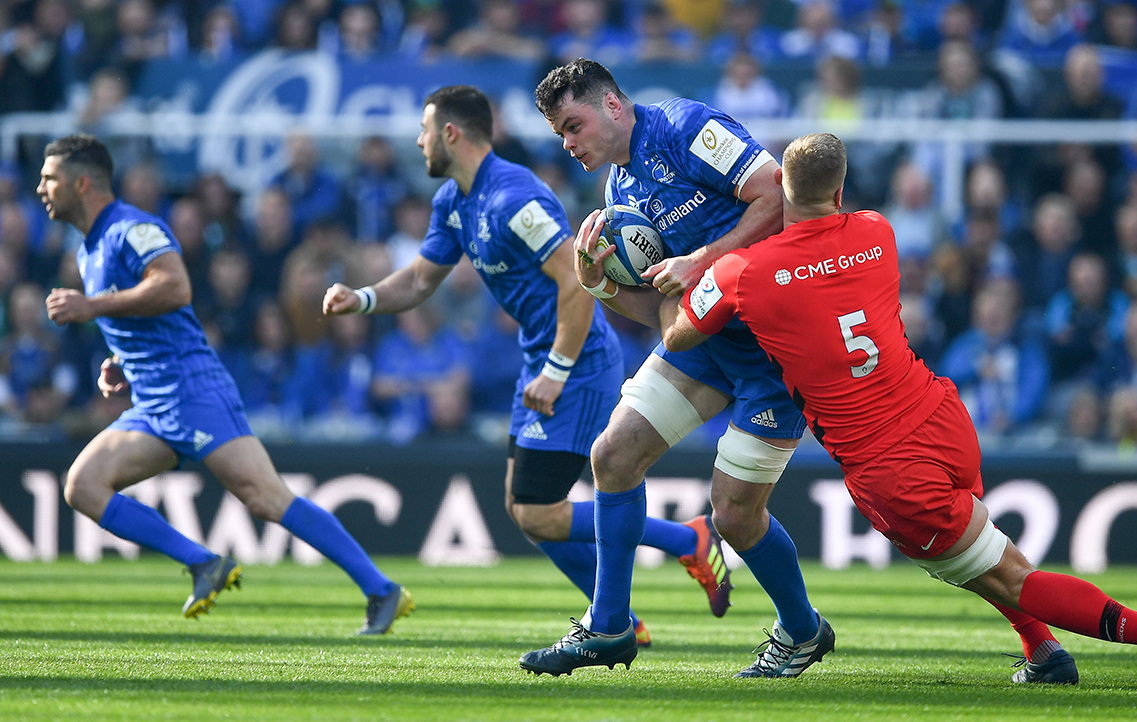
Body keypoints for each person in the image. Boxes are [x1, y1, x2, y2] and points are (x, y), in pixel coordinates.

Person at [575, 131, 1137, 690]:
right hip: (940, 416)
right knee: (990, 553)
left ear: (779, 190)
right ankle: (1044, 655)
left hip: (887, 466)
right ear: (840, 190)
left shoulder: (742, 275)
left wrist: (627, 281)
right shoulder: (878, 232)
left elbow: (676, 333)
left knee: (1014, 578)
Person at [321, 86, 728, 646]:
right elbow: (418, 280)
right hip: (542, 360)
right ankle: (640, 595)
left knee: (536, 511)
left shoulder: (515, 197)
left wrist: (558, 368)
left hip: (576, 361)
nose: (417, 142)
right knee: (525, 507)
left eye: (423, 130)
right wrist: (362, 299)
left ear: (451, 134)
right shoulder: (452, 201)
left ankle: (668, 564)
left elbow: (577, 282)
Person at [520, 59, 829, 678]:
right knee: (612, 457)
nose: (568, 144)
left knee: (735, 516)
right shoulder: (617, 195)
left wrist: (704, 260)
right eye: (560, 135)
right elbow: (668, 316)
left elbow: (777, 195)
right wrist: (600, 286)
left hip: (777, 345)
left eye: (573, 126)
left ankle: (803, 630)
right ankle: (608, 628)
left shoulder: (685, 126)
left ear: (612, 105)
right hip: (708, 345)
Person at [38, 134, 414, 634]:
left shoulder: (133, 227)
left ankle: (381, 589)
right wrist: (120, 360)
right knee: (82, 486)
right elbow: (146, 318)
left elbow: (174, 287)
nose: (41, 188)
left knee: (266, 498)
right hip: (152, 400)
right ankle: (203, 564)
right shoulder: (88, 249)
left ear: (81, 183)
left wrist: (92, 308)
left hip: (192, 390)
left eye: (50, 178)